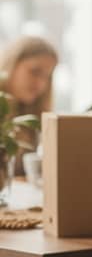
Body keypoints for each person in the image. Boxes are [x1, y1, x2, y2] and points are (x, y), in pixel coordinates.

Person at [0, 36, 58, 169]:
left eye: (47, 76)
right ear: (12, 65)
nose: (40, 84)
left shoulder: (34, 118)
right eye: (34, 71)